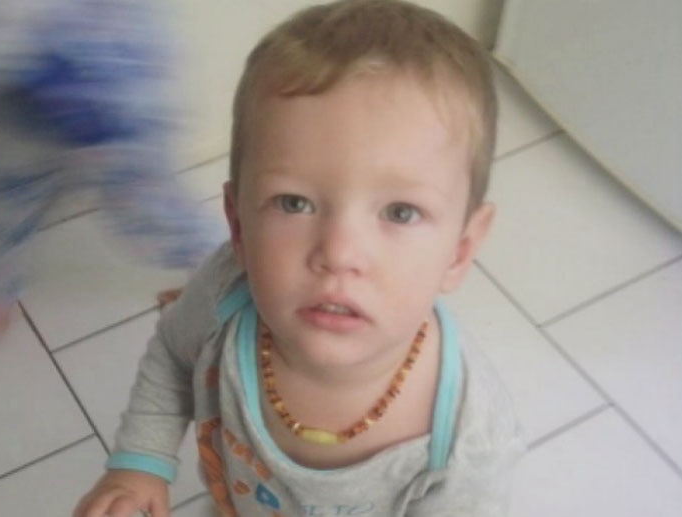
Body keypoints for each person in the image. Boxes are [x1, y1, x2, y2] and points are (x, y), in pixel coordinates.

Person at [74, 1, 524, 515]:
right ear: (239, 224)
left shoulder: (466, 443)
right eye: (294, 203)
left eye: (400, 212)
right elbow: (174, 355)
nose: (338, 253)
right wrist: (139, 463)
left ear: (460, 250)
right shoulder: (225, 294)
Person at [0, 0, 218, 330]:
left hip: (115, 108)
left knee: (153, 219)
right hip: (38, 96)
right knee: (8, 193)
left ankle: (235, 269)